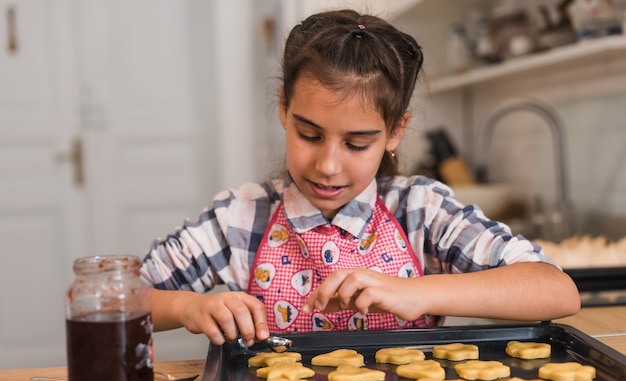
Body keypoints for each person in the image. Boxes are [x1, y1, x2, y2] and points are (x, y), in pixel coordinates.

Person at [141, 9, 580, 348]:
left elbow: (556, 291)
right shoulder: (240, 218)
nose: (328, 165)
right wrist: (186, 306)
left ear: (395, 131)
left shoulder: (421, 211)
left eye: (356, 144)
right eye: (309, 134)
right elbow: (110, 300)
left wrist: (421, 293)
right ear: (283, 109)